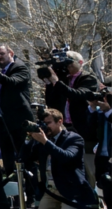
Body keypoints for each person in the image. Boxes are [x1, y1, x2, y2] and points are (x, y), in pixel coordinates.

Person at [26, 108, 98, 209]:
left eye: (49, 123)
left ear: (60, 122)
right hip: (51, 191)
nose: (46, 127)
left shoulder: (74, 138)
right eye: (44, 123)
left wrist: (45, 142)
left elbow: (67, 157)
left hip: (72, 191)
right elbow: (25, 158)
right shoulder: (44, 140)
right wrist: (29, 139)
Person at [41, 51, 100, 186]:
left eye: (70, 62)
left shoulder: (88, 78)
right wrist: (50, 82)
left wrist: (57, 81)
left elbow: (77, 95)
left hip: (84, 129)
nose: (67, 66)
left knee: (88, 167)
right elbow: (51, 102)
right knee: (67, 162)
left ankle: (91, 197)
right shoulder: (63, 79)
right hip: (65, 128)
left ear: (80, 63)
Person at [0, 44, 34, 174]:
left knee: (24, 158)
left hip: (18, 121)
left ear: (11, 53)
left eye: (2, 54)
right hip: (3, 122)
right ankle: (12, 187)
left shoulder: (19, 67)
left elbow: (11, 82)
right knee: (7, 158)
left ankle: (30, 191)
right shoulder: (0, 71)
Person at [88, 89, 112, 180]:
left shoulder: (107, 112)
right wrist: (93, 108)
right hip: (100, 154)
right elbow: (90, 128)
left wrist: (108, 110)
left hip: (110, 156)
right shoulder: (100, 112)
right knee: (100, 182)